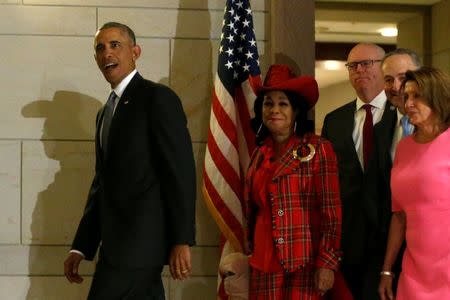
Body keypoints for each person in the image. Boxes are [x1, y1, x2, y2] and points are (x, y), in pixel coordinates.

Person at [63, 22, 196, 299]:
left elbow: (179, 172)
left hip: (141, 246)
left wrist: (181, 239)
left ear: (135, 52)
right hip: (115, 246)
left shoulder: (157, 98)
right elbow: (103, 183)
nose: (107, 53)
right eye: (100, 48)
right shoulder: (103, 113)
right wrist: (81, 247)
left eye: (115, 45)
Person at [244, 64, 342, 299]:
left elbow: (332, 212)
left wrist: (327, 262)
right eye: (268, 103)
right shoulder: (259, 153)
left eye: (282, 103)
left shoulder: (318, 148)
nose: (274, 110)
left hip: (303, 263)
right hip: (262, 262)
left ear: (296, 111)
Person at [321, 43, 397, 300]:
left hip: (392, 237)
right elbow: (329, 181)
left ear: (383, 67)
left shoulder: (400, 114)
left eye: (367, 63)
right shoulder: (335, 120)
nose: (359, 70)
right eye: (353, 65)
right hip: (349, 241)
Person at [378, 67, 450, 300]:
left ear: (437, 96)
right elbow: (398, 215)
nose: (408, 103)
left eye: (417, 96)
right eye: (406, 96)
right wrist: (387, 270)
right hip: (413, 272)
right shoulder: (404, 148)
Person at [381, 48, 421, 158]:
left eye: (403, 78)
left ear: (421, 77)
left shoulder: (442, 123)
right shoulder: (380, 129)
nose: (396, 87)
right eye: (389, 80)